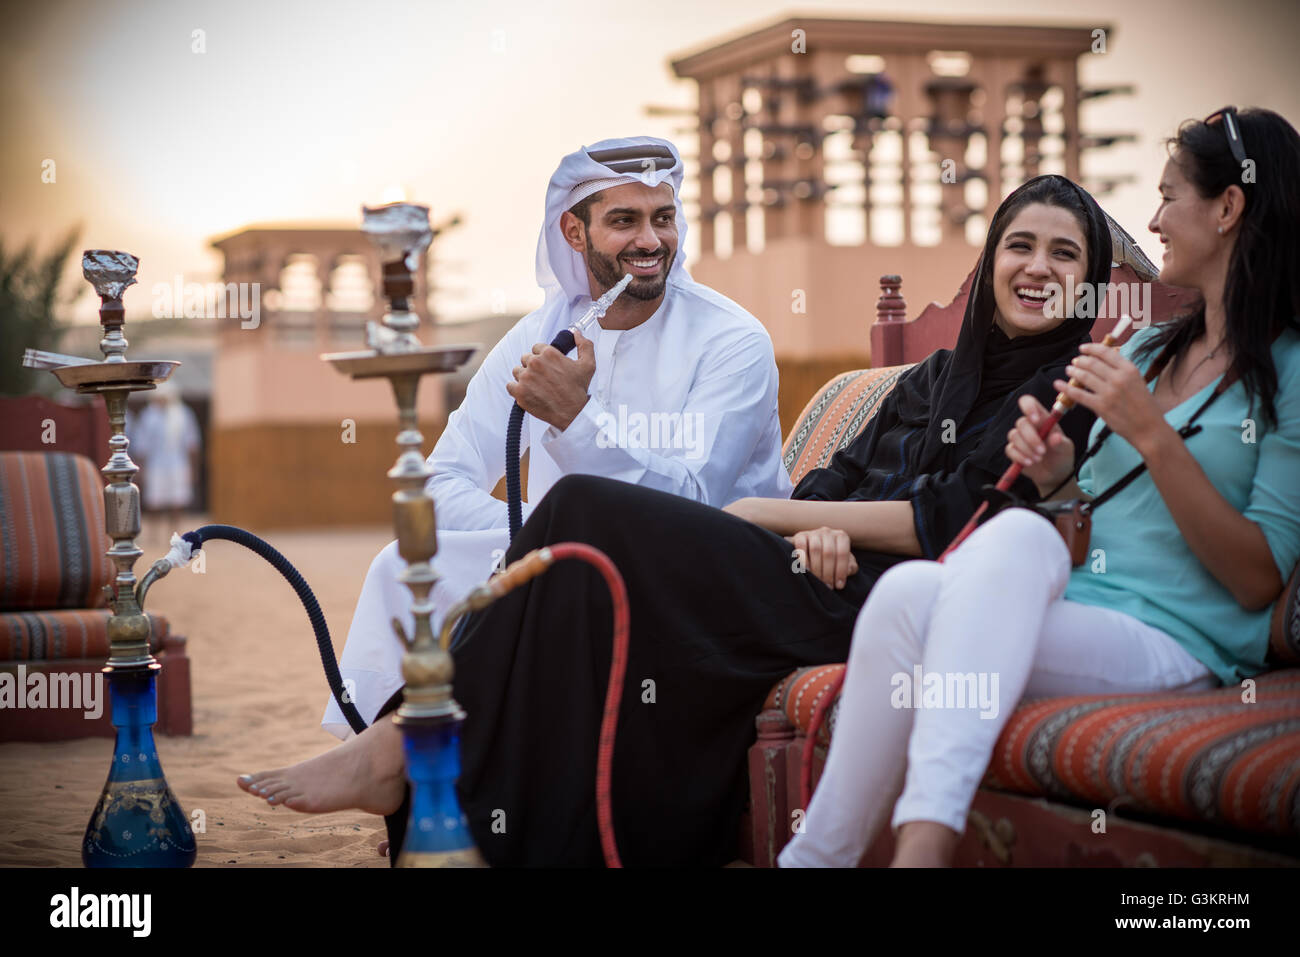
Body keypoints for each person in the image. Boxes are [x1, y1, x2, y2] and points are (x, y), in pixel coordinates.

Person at [240, 171, 1118, 865]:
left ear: (1091, 284)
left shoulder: (1066, 390)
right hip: (809, 572)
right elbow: (830, 489)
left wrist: (777, 515)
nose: (1037, 268)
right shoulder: (931, 381)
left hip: (884, 607)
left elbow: (958, 517)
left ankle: (408, 747)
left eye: (1065, 256)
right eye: (1020, 245)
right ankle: (463, 797)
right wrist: (815, 522)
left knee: (580, 507)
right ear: (991, 259)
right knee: (578, 568)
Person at [780, 107, 1300, 868]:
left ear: (1228, 207)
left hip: (1180, 638)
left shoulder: (1288, 371)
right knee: (905, 596)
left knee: (1005, 541)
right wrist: (1057, 474)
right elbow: (1080, 527)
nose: (1153, 220)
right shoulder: (1148, 349)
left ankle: (921, 848)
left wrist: (1150, 434)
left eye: (1169, 196)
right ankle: (814, 859)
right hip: (1084, 606)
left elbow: (1259, 579)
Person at [321, 136, 791, 737]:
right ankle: (402, 771)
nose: (651, 241)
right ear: (574, 233)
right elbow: (440, 480)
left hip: (697, 572)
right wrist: (530, 540)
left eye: (663, 219)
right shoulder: (538, 336)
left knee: (559, 582)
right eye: (625, 220)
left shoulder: (731, 340)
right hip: (567, 563)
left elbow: (696, 504)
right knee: (404, 565)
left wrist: (577, 418)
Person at [129, 381, 201, 535]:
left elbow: (191, 444)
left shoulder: (183, 414)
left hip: (178, 464)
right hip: (156, 465)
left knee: (178, 499)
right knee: (154, 500)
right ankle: (154, 534)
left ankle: (174, 532)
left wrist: (193, 468)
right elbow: (142, 445)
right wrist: (141, 468)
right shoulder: (148, 416)